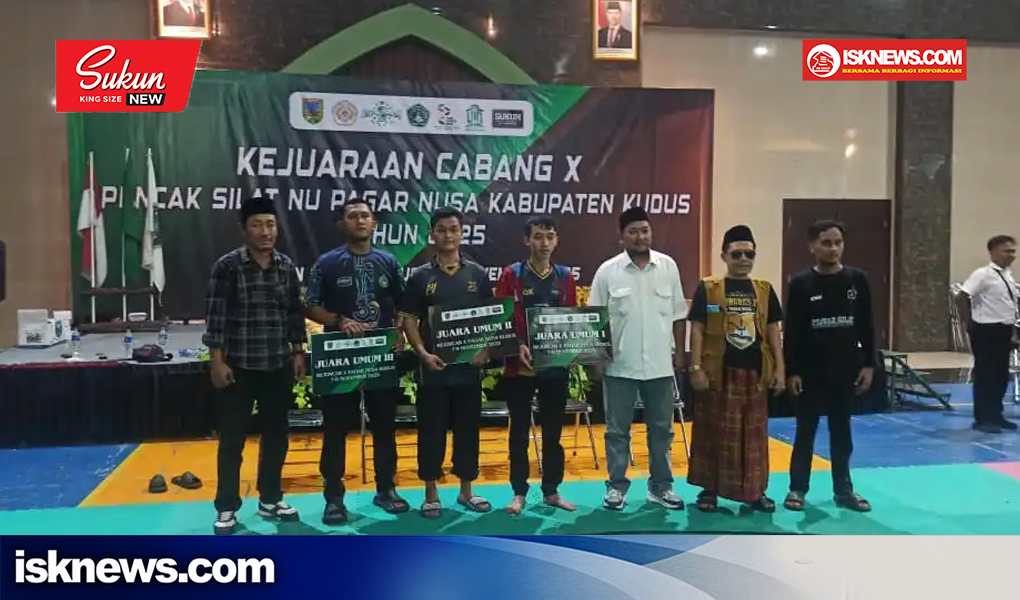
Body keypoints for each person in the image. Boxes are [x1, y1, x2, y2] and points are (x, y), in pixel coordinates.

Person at [202, 197, 307, 535]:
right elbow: (216, 318)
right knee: (232, 441)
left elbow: (294, 314)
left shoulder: (286, 266)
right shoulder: (228, 267)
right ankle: (226, 507)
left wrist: (298, 352)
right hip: (238, 367)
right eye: (257, 225)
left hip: (277, 365)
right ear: (243, 229)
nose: (265, 232)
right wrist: (217, 362)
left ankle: (270, 499)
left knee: (277, 437)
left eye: (270, 225)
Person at [304, 199, 410, 524]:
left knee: (385, 427)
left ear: (374, 223)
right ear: (342, 225)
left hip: (380, 357)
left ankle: (386, 489)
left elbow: (404, 303)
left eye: (365, 215)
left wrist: (400, 333)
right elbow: (310, 305)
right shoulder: (327, 263)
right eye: (353, 216)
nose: (360, 220)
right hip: (340, 357)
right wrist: (338, 321)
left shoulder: (388, 262)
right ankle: (334, 498)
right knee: (335, 429)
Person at [589, 206, 687, 510]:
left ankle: (661, 487)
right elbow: (595, 318)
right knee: (617, 431)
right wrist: (597, 358)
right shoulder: (607, 271)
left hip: (660, 365)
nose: (640, 236)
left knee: (662, 430)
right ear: (621, 237)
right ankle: (616, 487)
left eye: (644, 230)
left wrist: (680, 355)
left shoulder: (668, 267)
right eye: (633, 231)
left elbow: (678, 315)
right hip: (620, 366)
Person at [399, 206, 493, 518]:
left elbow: (490, 317)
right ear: (432, 235)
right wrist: (423, 353)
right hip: (433, 371)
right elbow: (409, 320)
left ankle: (467, 491)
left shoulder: (477, 274)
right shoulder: (419, 277)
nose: (448, 235)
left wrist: (484, 349)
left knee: (468, 431)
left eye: (454, 229)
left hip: (468, 371)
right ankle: (431, 494)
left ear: (462, 233)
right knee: (432, 432)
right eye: (442, 230)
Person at [687, 225, 784, 512]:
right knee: (712, 433)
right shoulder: (709, 288)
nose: (743, 260)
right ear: (724, 256)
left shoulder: (764, 290)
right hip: (718, 373)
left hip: (755, 375)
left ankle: (755, 491)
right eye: (737, 254)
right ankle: (709, 491)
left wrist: (780, 369)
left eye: (749, 254)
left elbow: (773, 332)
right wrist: (695, 367)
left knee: (753, 437)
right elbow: (697, 329)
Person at [783, 220, 875, 513]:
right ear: (812, 246)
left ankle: (843, 490)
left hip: (845, 369)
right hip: (810, 371)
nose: (833, 248)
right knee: (805, 431)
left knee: (842, 431)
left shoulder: (857, 280)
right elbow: (792, 331)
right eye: (826, 243)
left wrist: (869, 364)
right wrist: (791, 371)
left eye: (838, 242)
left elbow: (867, 326)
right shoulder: (800, 284)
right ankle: (797, 488)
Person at [495, 216, 579, 515]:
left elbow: (571, 319)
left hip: (554, 367)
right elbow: (501, 318)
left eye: (550, 237)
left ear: (557, 240)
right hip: (520, 368)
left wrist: (575, 348)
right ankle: (518, 493)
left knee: (553, 432)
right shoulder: (512, 275)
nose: (545, 243)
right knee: (519, 432)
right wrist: (517, 345)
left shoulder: (565, 276)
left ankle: (551, 491)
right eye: (538, 236)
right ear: (527, 240)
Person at [956, 235, 1019, 433]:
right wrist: (968, 323)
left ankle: (996, 415)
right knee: (986, 375)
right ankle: (982, 418)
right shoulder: (983, 274)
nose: (1011, 255)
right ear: (992, 252)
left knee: (1000, 375)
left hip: (1003, 330)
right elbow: (962, 296)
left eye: (1013, 251)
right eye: (1006, 251)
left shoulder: (1007, 275)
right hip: (986, 330)